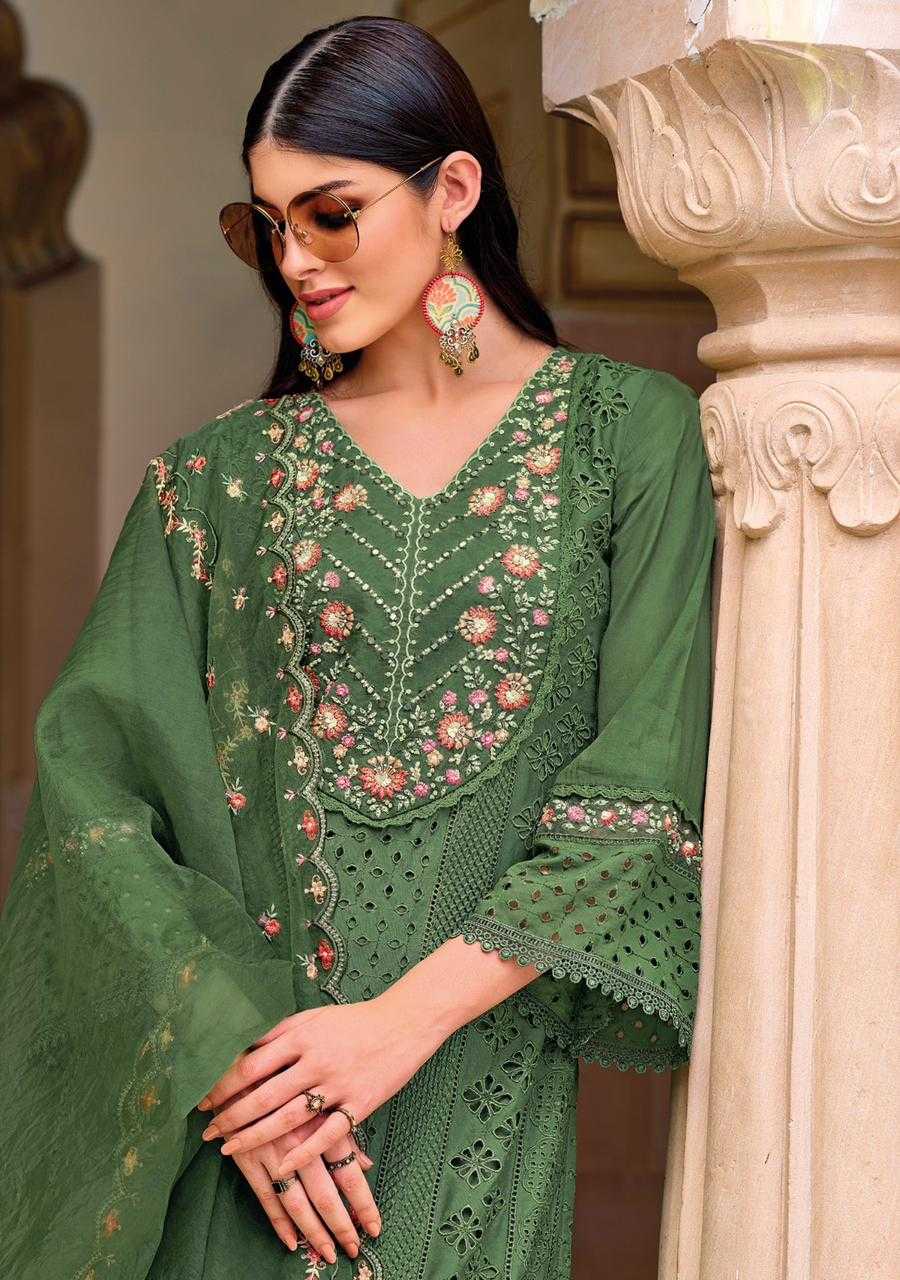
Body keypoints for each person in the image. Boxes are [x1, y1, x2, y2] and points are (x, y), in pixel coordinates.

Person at [0, 15, 716, 1280]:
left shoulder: (629, 440)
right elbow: (90, 807)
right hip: (250, 1147)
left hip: (477, 1126)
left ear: (454, 189)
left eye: (330, 215)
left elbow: (637, 804)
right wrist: (243, 1071)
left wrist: (391, 1029)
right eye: (267, 226)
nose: (295, 262)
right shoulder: (212, 484)